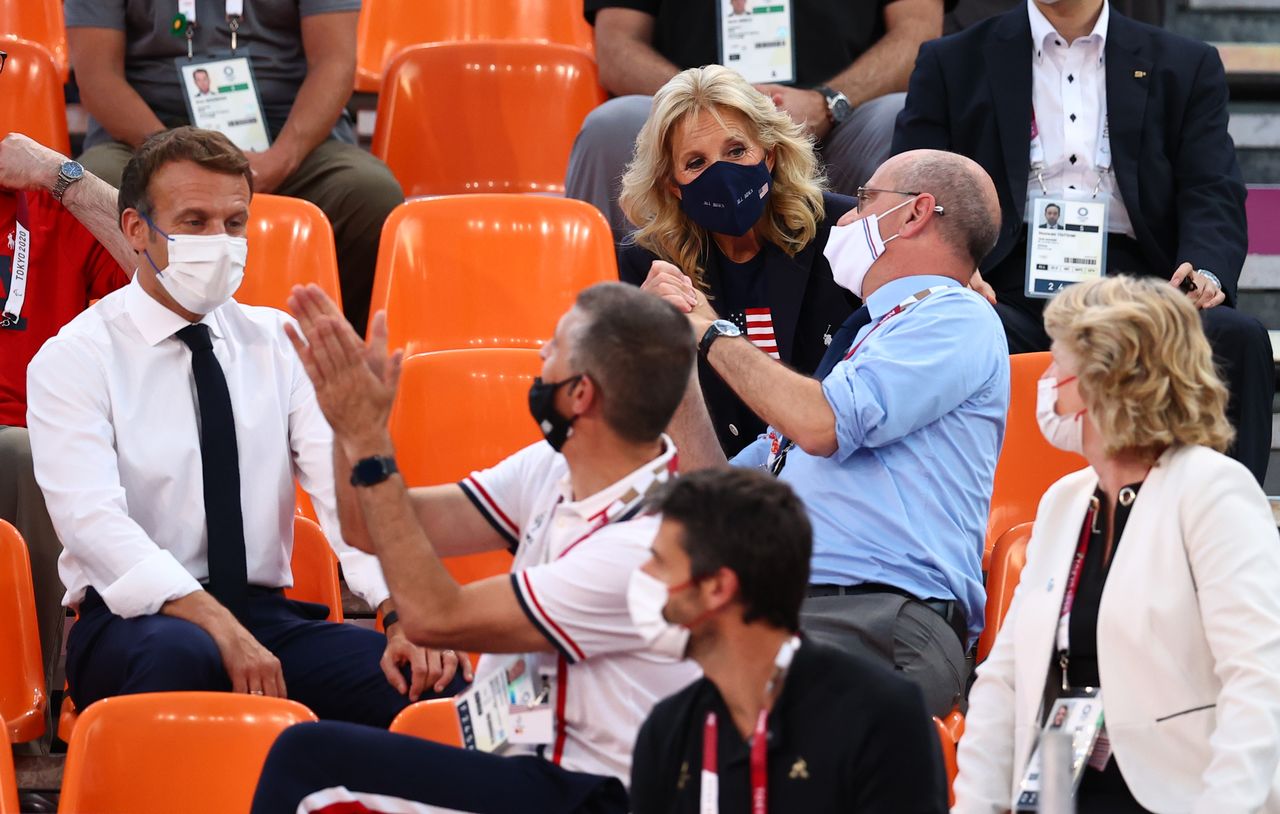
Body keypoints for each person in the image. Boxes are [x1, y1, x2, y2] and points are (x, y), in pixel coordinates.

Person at [26, 127, 460, 727]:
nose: (220, 241)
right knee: (184, 657)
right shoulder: (72, 358)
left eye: (234, 224)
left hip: (265, 617)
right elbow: (94, 525)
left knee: (434, 679)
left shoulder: (278, 342)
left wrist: (401, 612)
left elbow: (343, 501)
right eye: (195, 221)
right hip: (137, 622)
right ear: (134, 229)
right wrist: (212, 620)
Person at [249, 282, 702, 813]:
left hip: (601, 796)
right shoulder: (556, 464)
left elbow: (432, 617)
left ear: (581, 395)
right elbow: (370, 528)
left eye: (554, 347)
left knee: (310, 761)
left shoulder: (648, 549)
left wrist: (369, 437)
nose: (540, 355)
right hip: (520, 760)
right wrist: (346, 429)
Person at [649, 149, 1009, 718]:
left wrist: (712, 332)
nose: (840, 221)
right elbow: (712, 498)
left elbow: (823, 425)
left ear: (914, 215)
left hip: (874, 617)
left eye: (862, 201)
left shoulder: (954, 315)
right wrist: (670, 353)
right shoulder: (858, 355)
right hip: (783, 615)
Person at [893, 0, 1273, 484]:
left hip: (1141, 285)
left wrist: (1205, 271)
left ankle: (1227, 533)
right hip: (1002, 279)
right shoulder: (953, 60)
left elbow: (1212, 187)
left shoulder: (1185, 62)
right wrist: (953, 268)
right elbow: (913, 186)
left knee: (1236, 339)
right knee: (948, 329)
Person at [954, 275, 1280, 812]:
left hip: (1176, 795)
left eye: (1059, 364)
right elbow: (1005, 680)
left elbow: (1258, 681)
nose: (1047, 380)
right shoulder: (1064, 501)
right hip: (1058, 787)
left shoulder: (1213, 490)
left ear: (1107, 380)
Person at [64, 0, 403, 336]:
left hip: (286, 131)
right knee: (96, 186)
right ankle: (133, 350)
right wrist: (172, 158)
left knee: (369, 194)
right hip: (146, 133)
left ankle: (338, 357)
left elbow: (335, 63)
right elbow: (97, 77)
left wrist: (281, 158)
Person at [629, 468, 948, 813]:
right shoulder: (666, 730)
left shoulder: (882, 715)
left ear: (718, 588)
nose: (643, 575)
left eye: (659, 562)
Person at [618, 66, 856, 457]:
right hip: (719, 487)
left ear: (770, 155)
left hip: (835, 472)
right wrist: (644, 336)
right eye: (696, 163)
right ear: (673, 186)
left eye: (736, 151)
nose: (722, 175)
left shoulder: (843, 230)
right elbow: (632, 417)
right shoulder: (647, 264)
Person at [568, 0, 946, 242]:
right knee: (611, 126)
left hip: (836, 120)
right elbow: (617, 46)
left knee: (897, 116)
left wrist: (829, 102)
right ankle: (612, 321)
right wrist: (705, 102)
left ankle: (899, 310)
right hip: (693, 123)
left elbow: (918, 30)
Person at [0, 125, 136, 754]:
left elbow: (170, 277)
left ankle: (37, 706)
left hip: (31, 434)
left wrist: (63, 175)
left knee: (26, 451)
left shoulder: (47, 198)